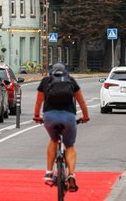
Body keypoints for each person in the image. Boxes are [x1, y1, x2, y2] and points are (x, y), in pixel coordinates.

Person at [33, 63, 90, 192]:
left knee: (53, 140)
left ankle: (48, 173)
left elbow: (38, 102)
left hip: (50, 117)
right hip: (68, 117)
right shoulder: (71, 81)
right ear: (65, 72)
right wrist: (85, 117)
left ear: (51, 72)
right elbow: (81, 102)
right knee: (69, 146)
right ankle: (71, 174)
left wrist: (37, 116)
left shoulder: (46, 81)